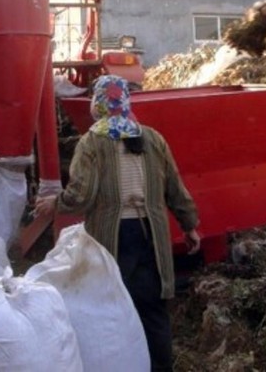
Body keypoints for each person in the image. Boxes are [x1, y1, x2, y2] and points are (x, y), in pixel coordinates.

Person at [35, 74, 201, 372]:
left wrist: (55, 203)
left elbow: (81, 195)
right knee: (153, 309)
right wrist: (189, 225)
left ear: (97, 103)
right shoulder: (152, 138)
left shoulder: (92, 142)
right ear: (125, 101)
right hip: (151, 235)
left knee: (114, 307)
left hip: (113, 238)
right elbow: (174, 188)